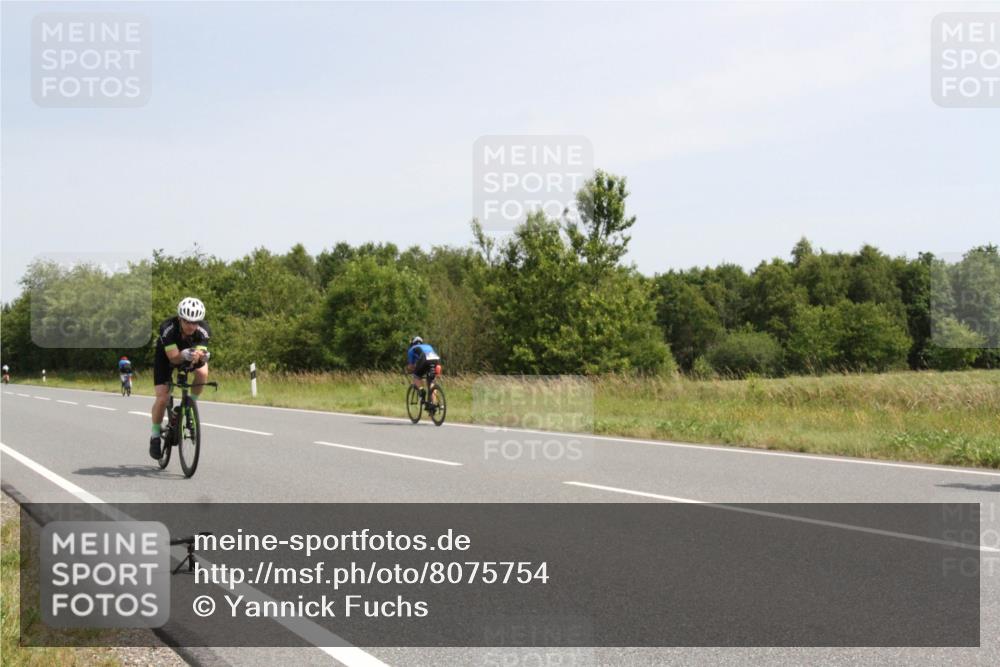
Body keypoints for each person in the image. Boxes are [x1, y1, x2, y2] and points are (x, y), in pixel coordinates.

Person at [150, 297, 211, 459]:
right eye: (187, 322)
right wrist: (183, 355)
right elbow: (174, 359)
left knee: (203, 373)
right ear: (179, 319)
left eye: (195, 322)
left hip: (187, 354)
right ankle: (155, 435)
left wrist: (201, 356)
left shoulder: (203, 329)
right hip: (166, 358)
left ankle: (191, 403)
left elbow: (200, 354)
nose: (192, 326)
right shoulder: (167, 328)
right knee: (163, 397)